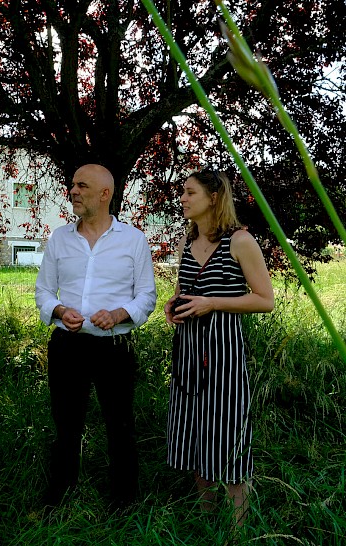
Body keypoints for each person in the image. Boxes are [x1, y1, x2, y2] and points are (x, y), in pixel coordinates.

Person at [35, 164, 157, 510]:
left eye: (81, 186)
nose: (73, 191)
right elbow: (43, 291)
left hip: (113, 348)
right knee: (65, 424)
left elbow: (147, 296)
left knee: (119, 426)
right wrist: (59, 311)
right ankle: (58, 500)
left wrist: (120, 314)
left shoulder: (133, 240)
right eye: (72, 185)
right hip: (67, 346)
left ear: (105, 194)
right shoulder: (60, 237)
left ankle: (123, 504)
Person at [164, 167, 274, 525]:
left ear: (213, 197)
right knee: (194, 433)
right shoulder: (186, 242)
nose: (182, 198)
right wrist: (173, 304)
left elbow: (264, 300)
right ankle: (207, 521)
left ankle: (237, 533)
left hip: (223, 352)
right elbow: (184, 292)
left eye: (189, 192)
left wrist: (212, 303)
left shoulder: (240, 241)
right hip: (188, 353)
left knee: (227, 433)